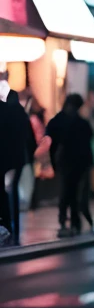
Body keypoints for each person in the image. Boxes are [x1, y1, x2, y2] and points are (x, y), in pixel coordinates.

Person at [47, 91, 94, 235]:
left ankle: (65, 220)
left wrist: (54, 162)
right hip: (78, 163)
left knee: (67, 192)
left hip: (65, 162)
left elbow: (53, 143)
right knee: (75, 193)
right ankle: (75, 221)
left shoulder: (58, 121)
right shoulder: (82, 123)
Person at [0, 78, 36, 244]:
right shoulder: (21, 114)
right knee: (11, 188)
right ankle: (10, 223)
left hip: (7, 157)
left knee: (8, 189)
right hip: (20, 157)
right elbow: (29, 138)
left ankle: (8, 222)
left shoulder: (6, 113)